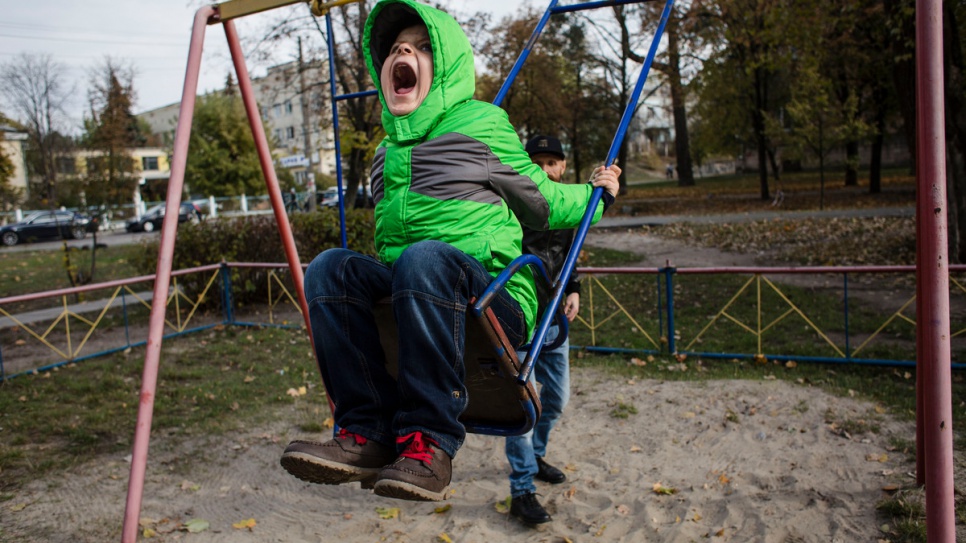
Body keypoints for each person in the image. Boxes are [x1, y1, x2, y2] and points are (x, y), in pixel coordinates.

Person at [279, 0, 621, 503]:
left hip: (492, 296)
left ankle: (428, 443)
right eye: (397, 46)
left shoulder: (482, 124)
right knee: (332, 268)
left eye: (421, 46)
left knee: (425, 257)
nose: (403, 49)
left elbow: (545, 206)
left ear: (445, 67)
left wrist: (598, 194)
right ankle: (366, 431)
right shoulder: (383, 154)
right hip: (419, 290)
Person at [505, 135, 581, 525]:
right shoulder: (514, 204)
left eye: (554, 162)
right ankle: (521, 490)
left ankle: (535, 456)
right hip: (520, 316)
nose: (548, 169)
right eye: (539, 162)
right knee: (522, 407)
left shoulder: (569, 205)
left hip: (554, 316)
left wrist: (574, 288)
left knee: (557, 400)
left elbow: (570, 256)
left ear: (563, 167)